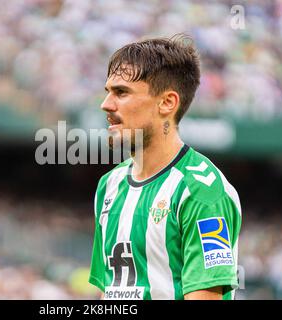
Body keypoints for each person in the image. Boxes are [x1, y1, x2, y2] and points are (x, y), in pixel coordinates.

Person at [88, 35, 242, 300]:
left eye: (121, 92)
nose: (107, 104)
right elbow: (108, 292)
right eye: (108, 92)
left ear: (167, 103)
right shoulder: (109, 185)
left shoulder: (203, 193)